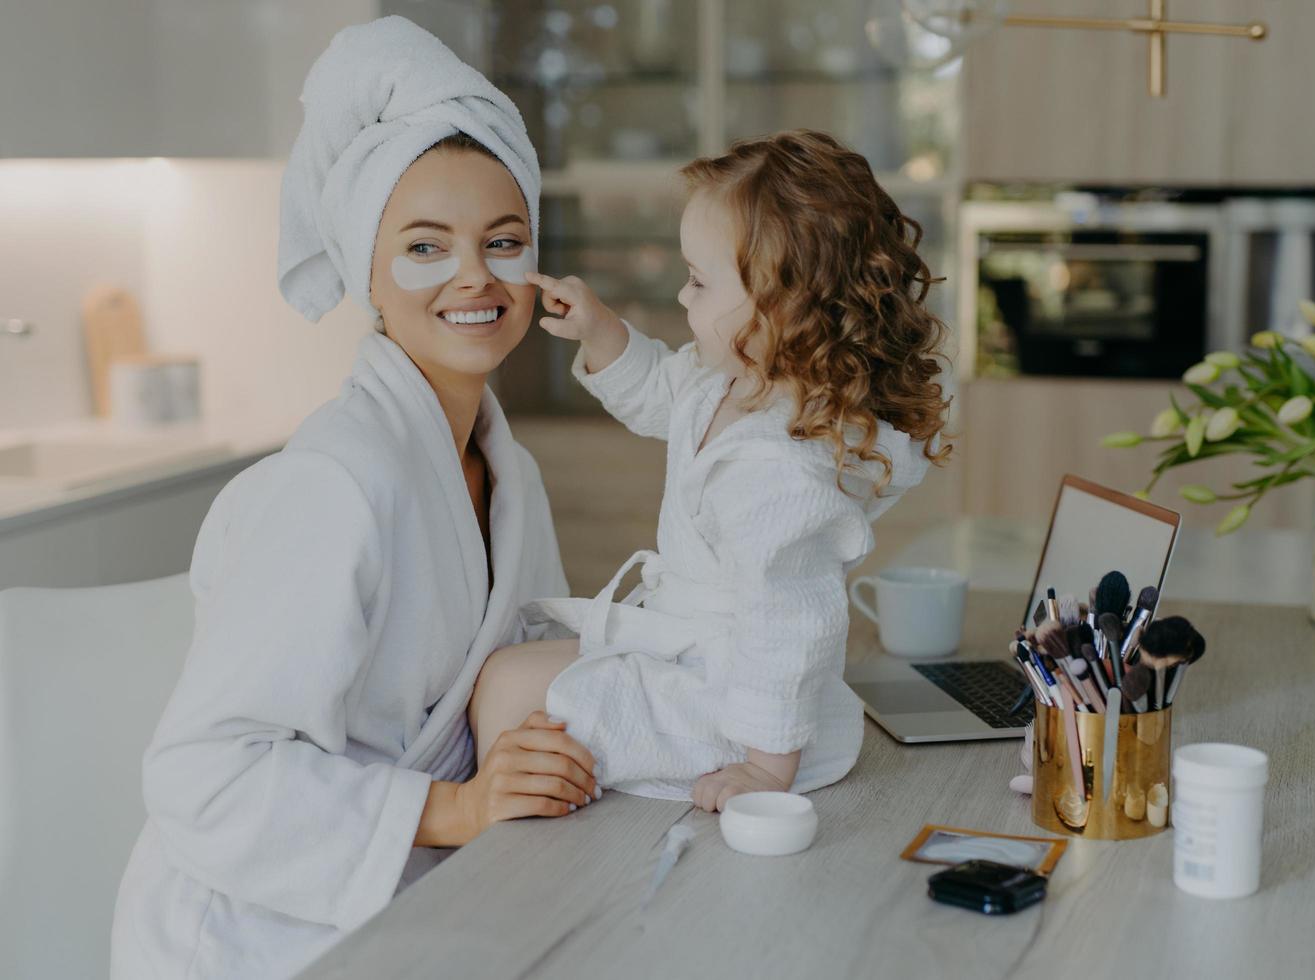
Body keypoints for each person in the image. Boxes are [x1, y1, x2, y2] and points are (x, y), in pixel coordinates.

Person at [111, 17, 594, 979]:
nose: (474, 276)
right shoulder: (336, 484)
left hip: (427, 894)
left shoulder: (512, 474)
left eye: (504, 242)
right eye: (426, 246)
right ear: (368, 274)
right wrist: (460, 808)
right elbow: (204, 778)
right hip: (256, 934)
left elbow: (532, 683)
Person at [470, 130, 953, 811]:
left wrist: (764, 770)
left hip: (733, 711)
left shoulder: (778, 468)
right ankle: (508, 829)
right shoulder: (729, 379)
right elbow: (662, 395)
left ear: (782, 307)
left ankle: (511, 854)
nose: (681, 293)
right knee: (510, 669)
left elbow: (789, 624)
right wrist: (603, 332)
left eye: (698, 280)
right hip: (693, 654)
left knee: (511, 692)